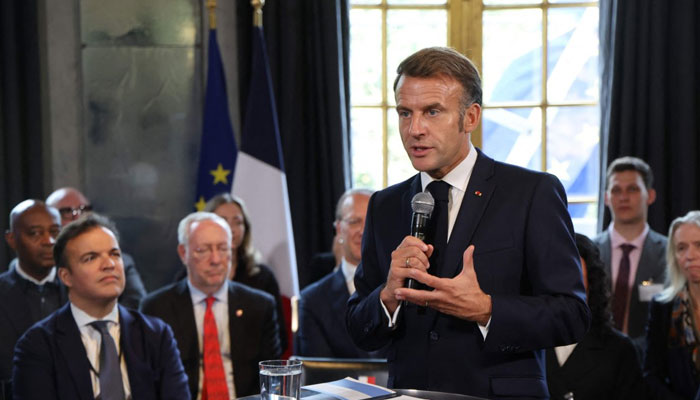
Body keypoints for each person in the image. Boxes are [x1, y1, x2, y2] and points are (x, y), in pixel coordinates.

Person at [346, 46, 590, 398]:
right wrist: (387, 296)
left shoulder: (531, 193)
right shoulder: (384, 205)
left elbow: (572, 315)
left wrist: (487, 309)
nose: (414, 129)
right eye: (405, 113)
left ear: (470, 118)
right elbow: (359, 329)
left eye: (432, 112)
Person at [12, 213, 189, 399]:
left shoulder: (155, 334)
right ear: (66, 276)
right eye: (91, 258)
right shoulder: (38, 345)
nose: (109, 264)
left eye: (114, 254)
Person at [141, 212, 281, 399]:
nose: (215, 260)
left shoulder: (260, 306)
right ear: (183, 253)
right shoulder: (156, 309)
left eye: (223, 249)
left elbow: (271, 379)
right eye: (203, 250)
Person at [546, 234, 644, 400]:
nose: (565, 284)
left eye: (575, 274)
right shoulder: (524, 344)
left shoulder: (620, 350)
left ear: (591, 283)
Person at [593, 157, 667, 351]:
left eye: (632, 189)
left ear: (650, 195)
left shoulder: (670, 253)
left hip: (649, 358)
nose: (623, 197)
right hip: (595, 358)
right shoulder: (588, 251)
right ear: (606, 198)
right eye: (616, 190)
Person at [298, 188, 380, 358]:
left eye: (371, 221)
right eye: (354, 221)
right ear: (338, 229)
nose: (363, 231)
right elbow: (318, 369)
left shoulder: (406, 289)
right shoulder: (312, 300)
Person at [46, 187, 147, 309]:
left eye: (84, 209)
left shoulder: (123, 263)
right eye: (67, 212)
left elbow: (136, 302)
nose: (78, 217)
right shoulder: (42, 266)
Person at [0, 200, 66, 385]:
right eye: (35, 233)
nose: (49, 241)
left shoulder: (80, 287)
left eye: (55, 232)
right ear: (11, 239)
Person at [644, 211, 700, 400]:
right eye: (681, 248)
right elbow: (652, 375)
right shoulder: (663, 307)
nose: (690, 256)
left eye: (699, 245)